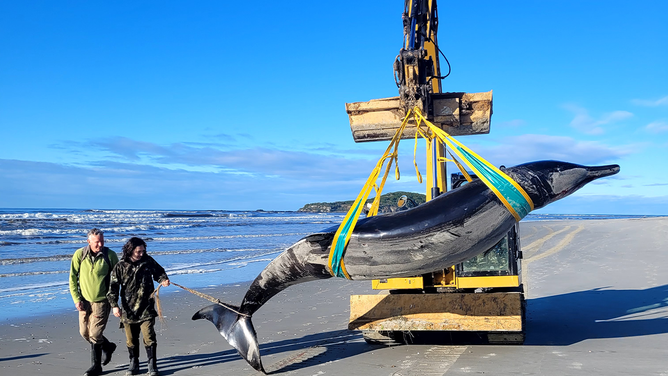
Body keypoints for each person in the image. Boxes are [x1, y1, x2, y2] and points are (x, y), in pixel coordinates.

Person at [108, 237, 170, 376]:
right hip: (128, 309)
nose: (141, 253)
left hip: (146, 307)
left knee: (149, 336)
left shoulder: (148, 261)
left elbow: (159, 272)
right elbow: (113, 288)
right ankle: (133, 363)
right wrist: (114, 306)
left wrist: (163, 280)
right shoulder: (120, 266)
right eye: (138, 251)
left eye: (143, 250)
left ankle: (152, 365)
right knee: (131, 339)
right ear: (130, 250)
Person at [69, 228, 119, 376]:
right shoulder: (80, 254)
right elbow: (72, 278)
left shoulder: (110, 255)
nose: (100, 244)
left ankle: (96, 366)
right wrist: (76, 299)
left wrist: (115, 302)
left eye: (102, 241)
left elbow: (117, 279)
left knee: (95, 334)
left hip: (102, 301)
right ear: (88, 241)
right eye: (97, 242)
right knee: (84, 333)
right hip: (84, 301)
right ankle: (108, 347)